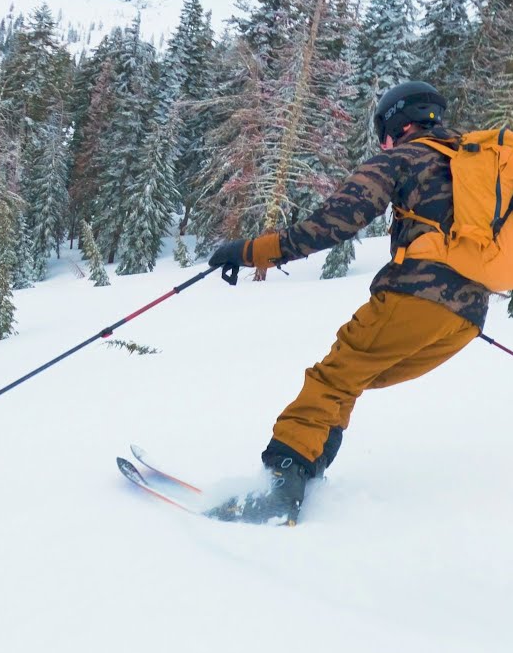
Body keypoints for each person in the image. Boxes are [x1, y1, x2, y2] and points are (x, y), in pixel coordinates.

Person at [206, 81, 489, 525]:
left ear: (398, 123)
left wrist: (249, 252)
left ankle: (280, 489)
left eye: (384, 132)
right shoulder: (477, 166)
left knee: (331, 379)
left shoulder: (403, 158)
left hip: (416, 297)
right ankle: (309, 471)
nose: (384, 143)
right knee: (349, 380)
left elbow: (330, 224)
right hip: (468, 317)